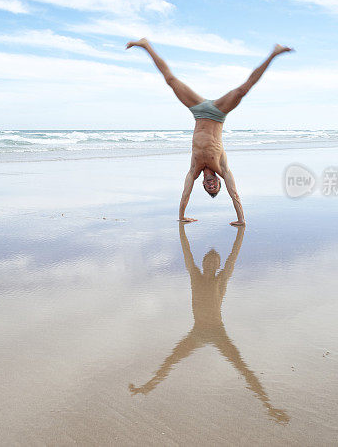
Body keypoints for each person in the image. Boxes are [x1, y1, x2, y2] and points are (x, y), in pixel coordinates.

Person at [128, 225, 290, 424]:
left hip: (217, 332)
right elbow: (186, 252)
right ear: (204, 262)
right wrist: (181, 228)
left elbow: (233, 255)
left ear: (218, 265)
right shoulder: (194, 275)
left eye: (216, 262)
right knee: (171, 360)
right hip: (197, 332)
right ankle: (147, 387)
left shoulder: (221, 280)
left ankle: (267, 404)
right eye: (209, 260)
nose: (212, 263)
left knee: (242, 368)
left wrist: (241, 229)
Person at [126, 38, 292, 226]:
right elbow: (234, 194)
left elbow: (185, 192)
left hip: (198, 111)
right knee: (242, 91)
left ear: (204, 185)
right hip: (218, 113)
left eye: (209, 188)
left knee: (171, 81)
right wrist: (241, 219)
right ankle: (274, 53)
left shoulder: (193, 170)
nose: (212, 185)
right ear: (218, 182)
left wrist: (181, 216)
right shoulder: (223, 168)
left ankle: (146, 45)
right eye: (216, 187)